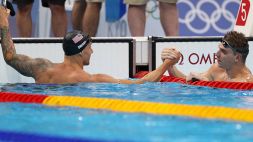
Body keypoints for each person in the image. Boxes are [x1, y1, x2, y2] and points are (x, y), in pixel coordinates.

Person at [0, 6, 181, 84]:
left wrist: (4, 22)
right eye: (90, 47)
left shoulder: (41, 68)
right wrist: (167, 64)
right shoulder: (91, 79)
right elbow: (142, 83)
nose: (92, 51)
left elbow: (9, 57)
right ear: (81, 51)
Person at [161, 31, 253, 82]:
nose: (217, 54)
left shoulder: (248, 82)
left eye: (223, 52)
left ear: (237, 57)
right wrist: (170, 65)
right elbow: (187, 80)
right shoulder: (217, 69)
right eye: (219, 49)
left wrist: (207, 86)